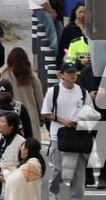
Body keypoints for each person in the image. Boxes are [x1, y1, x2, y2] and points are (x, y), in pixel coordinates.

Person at [41, 61, 92, 200]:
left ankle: (76, 197)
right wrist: (63, 120)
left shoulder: (82, 91)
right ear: (61, 75)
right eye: (69, 73)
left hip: (78, 135)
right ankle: (54, 192)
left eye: (74, 72)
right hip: (59, 135)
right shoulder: (54, 91)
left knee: (78, 171)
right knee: (58, 169)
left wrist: (81, 121)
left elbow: (90, 111)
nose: (72, 75)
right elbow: (45, 112)